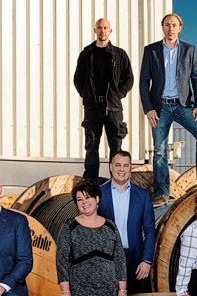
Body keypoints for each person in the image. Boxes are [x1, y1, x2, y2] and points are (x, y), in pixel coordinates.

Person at [140, 13, 197, 205]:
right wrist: (148, 109)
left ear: (180, 28)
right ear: (163, 27)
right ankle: (162, 192)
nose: (171, 28)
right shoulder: (151, 51)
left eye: (174, 25)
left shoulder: (189, 50)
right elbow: (144, 82)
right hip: (159, 108)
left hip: (183, 105)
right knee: (159, 150)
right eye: (167, 25)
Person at [97, 150, 155, 296]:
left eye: (126, 165)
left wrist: (147, 260)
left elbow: (149, 230)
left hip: (134, 258)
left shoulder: (142, 195)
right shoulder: (100, 193)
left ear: (131, 168)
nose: (122, 169)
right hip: (107, 259)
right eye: (118, 165)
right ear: (111, 167)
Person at [73, 18, 134, 181]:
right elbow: (78, 78)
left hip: (113, 108)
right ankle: (90, 182)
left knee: (116, 148)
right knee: (91, 146)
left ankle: (117, 181)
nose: (102, 31)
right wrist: (86, 95)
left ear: (110, 31)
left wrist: (119, 94)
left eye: (105, 28)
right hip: (92, 108)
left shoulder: (119, 54)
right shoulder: (86, 54)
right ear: (95, 30)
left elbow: (129, 78)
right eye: (99, 27)